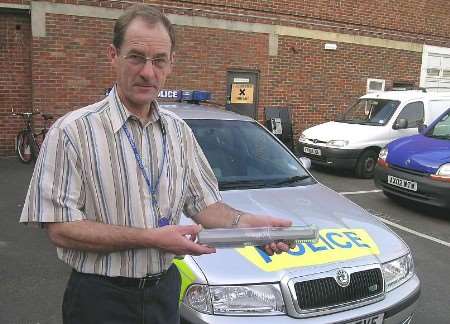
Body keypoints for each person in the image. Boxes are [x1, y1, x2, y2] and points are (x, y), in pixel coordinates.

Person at [20, 4, 293, 324]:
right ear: (113, 55)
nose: (148, 72)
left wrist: (253, 225)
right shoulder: (72, 132)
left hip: (164, 292)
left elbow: (205, 206)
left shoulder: (179, 132)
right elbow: (61, 230)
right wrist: (149, 238)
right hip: (99, 299)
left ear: (171, 63)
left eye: (159, 60)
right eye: (136, 57)